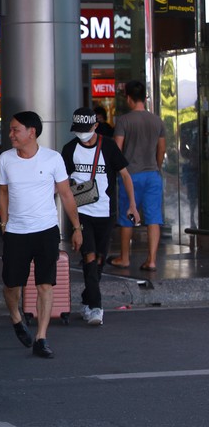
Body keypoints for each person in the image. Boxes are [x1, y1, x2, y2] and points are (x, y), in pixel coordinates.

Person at [0, 111, 82, 359]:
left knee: (45, 284)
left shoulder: (53, 158)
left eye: (15, 129)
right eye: (11, 129)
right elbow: (2, 192)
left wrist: (77, 228)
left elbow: (66, 195)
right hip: (16, 232)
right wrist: (4, 223)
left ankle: (41, 337)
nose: (11, 134)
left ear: (31, 132)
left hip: (46, 230)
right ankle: (16, 317)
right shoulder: (5, 159)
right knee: (12, 285)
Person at [61, 107, 138, 326]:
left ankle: (87, 299)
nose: (81, 134)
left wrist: (131, 205)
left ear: (96, 126)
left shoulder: (109, 146)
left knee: (99, 261)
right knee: (90, 257)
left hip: (106, 212)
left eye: (86, 129)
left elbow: (125, 175)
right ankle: (96, 307)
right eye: (78, 130)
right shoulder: (69, 149)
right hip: (81, 213)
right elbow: (61, 181)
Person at [107, 80, 166, 271]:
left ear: (129, 99)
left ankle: (124, 258)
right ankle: (152, 260)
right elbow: (162, 147)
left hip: (130, 176)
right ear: (145, 98)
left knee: (127, 216)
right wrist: (156, 166)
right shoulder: (157, 120)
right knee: (154, 218)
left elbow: (117, 148)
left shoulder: (124, 121)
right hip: (152, 175)